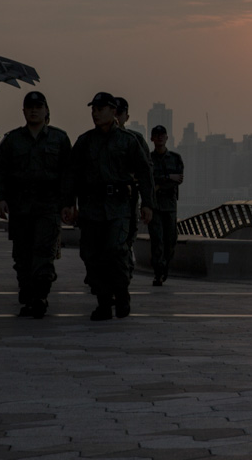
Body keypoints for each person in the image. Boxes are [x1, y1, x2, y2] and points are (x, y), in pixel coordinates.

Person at [0, 91, 74, 319]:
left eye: (38, 106)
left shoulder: (60, 139)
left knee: (44, 253)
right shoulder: (12, 140)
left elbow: (68, 174)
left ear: (46, 110)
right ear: (24, 111)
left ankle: (40, 296)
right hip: (21, 206)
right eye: (30, 107)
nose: (34, 110)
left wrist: (68, 204)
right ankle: (27, 295)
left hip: (49, 206)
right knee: (23, 255)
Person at [73, 92, 154, 321]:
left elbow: (145, 173)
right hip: (91, 208)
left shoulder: (128, 141)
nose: (95, 113)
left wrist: (147, 204)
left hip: (119, 207)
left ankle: (121, 293)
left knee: (116, 251)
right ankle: (104, 302)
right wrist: (68, 204)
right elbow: (72, 175)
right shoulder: (85, 141)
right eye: (93, 110)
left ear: (113, 111)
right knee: (91, 255)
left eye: (100, 109)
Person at [113, 97, 152, 279]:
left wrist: (147, 203)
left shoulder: (135, 140)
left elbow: (146, 171)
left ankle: (121, 280)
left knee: (124, 242)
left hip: (127, 201)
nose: (116, 116)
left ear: (126, 116)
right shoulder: (92, 140)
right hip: (99, 204)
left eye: (119, 113)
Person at [148, 125, 183, 286]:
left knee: (170, 240)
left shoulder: (175, 158)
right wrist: (168, 178)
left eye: (162, 135)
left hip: (169, 205)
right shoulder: (148, 159)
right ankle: (158, 273)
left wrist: (160, 183)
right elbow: (147, 181)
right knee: (157, 240)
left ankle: (165, 268)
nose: (160, 137)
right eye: (156, 135)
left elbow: (179, 179)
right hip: (154, 206)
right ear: (152, 138)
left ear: (167, 137)